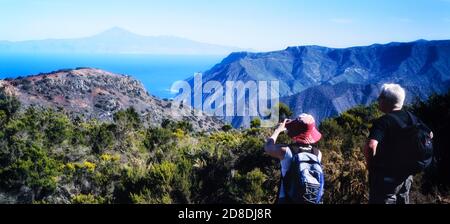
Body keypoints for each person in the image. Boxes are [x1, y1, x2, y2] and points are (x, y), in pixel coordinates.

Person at [365, 83, 433, 204]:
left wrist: (371, 166)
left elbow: (371, 145)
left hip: (386, 177)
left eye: (380, 97)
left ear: (386, 101)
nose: (378, 99)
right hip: (406, 176)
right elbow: (430, 134)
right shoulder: (411, 117)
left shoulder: (383, 121)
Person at [264, 113, 323, 204]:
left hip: (287, 200)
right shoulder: (318, 154)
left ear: (295, 131)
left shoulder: (286, 151)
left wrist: (278, 130)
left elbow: (268, 147)